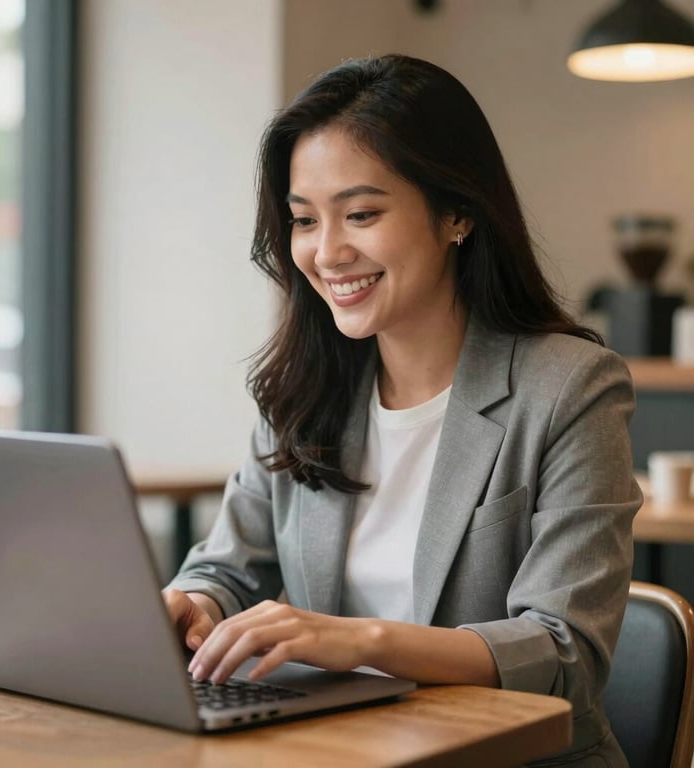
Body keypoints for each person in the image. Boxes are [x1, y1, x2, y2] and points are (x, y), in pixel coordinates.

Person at [164, 54, 641, 766]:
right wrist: (195, 606)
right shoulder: (301, 388)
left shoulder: (571, 388)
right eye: (303, 220)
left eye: (361, 214)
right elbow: (229, 569)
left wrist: (364, 640)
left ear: (456, 213)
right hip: (342, 751)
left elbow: (565, 652)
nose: (327, 253)